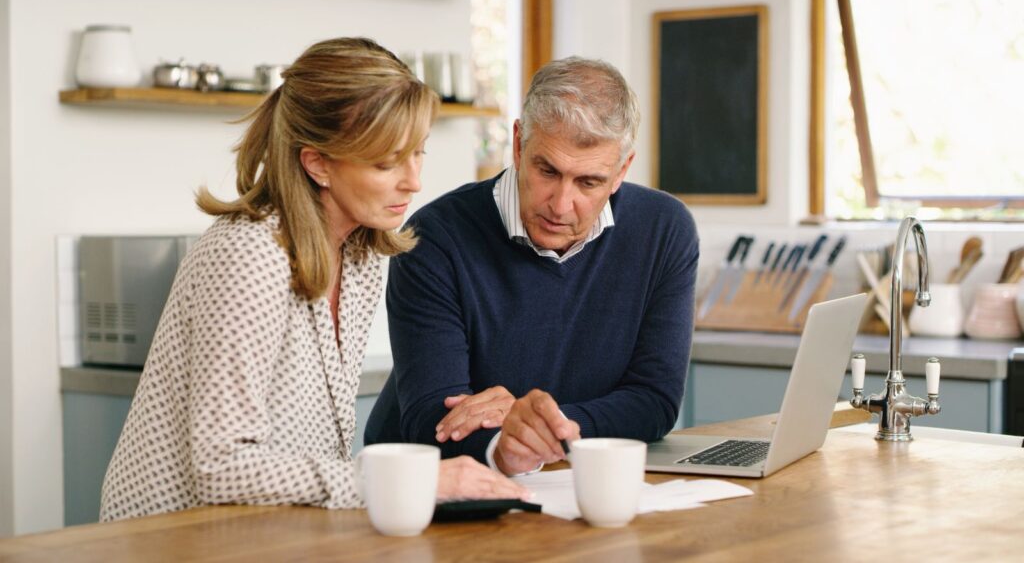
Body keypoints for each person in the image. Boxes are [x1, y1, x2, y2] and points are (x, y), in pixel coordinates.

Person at [100, 37, 527, 522]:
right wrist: (408, 481)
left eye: (417, 153)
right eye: (386, 162)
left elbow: (317, 447)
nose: (414, 181)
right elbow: (219, 468)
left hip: (273, 532)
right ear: (317, 163)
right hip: (170, 538)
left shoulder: (363, 253)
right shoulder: (249, 254)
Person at [364, 57, 699, 476]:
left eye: (588, 182)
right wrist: (510, 443)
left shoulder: (664, 230)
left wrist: (538, 427)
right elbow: (431, 417)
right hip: (423, 489)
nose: (561, 205)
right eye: (547, 170)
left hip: (560, 479)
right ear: (519, 144)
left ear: (621, 171)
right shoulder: (434, 237)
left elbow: (653, 402)